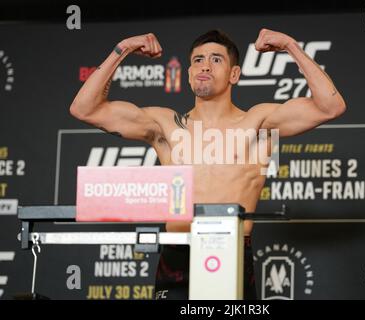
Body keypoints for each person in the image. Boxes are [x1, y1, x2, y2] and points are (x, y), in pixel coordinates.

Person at [69, 28, 346, 299]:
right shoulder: (164, 125)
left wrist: (289, 46)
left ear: (234, 74)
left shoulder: (259, 123)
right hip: (177, 252)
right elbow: (84, 109)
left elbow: (330, 107)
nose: (205, 66)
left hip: (232, 250)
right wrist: (123, 48)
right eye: (198, 60)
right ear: (188, 73)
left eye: (216, 59)